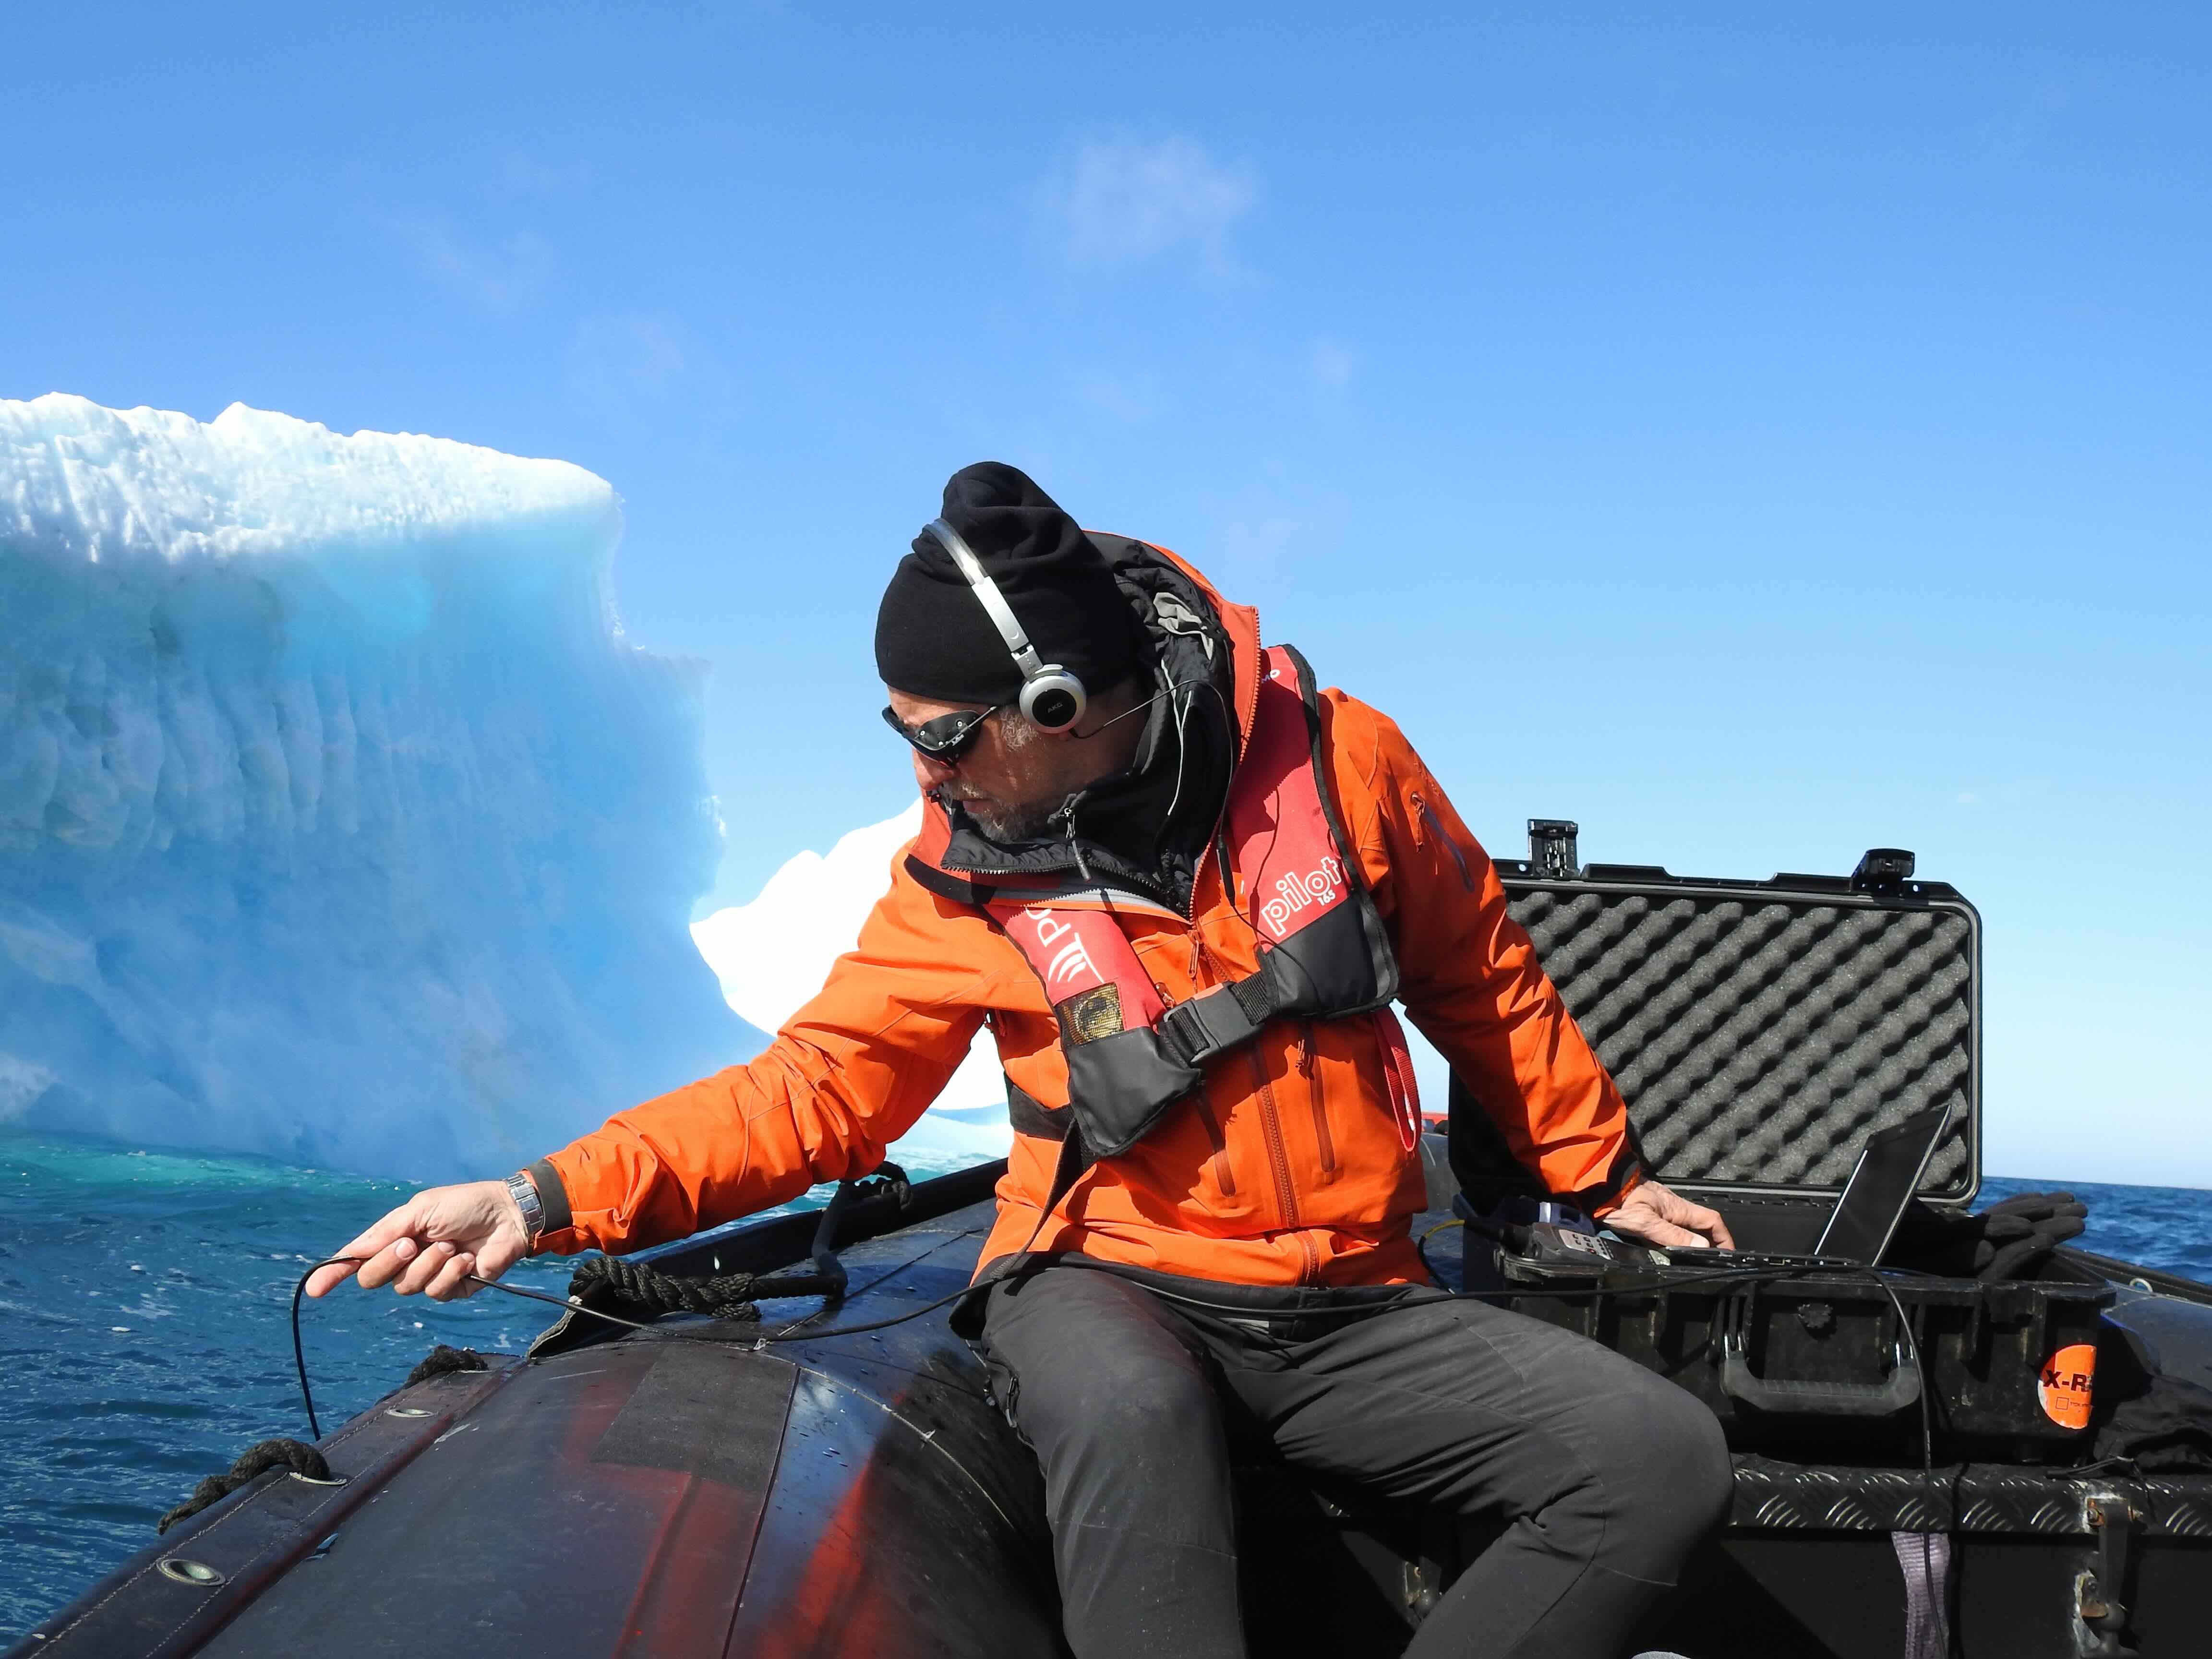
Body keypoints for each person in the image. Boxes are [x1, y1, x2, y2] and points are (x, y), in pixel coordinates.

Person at [309, 463, 1737, 1659]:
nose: (921, 772)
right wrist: (542, 1197)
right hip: (1105, 1283)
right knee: (1131, 1408)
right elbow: (812, 1094)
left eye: (942, 736)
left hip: (1355, 1303)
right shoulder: (960, 883)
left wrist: (1599, 1172)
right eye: (902, 734)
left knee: (1656, 1460)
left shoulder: (1345, 762)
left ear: (1056, 704)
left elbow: (1477, 971)